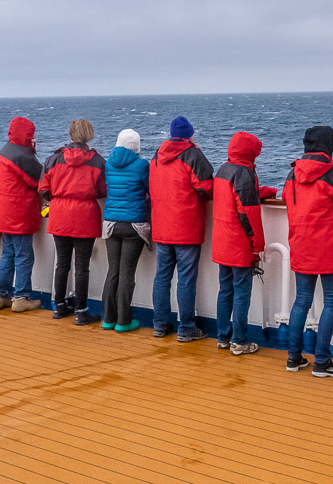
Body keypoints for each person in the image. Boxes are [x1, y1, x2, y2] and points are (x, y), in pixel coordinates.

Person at [283, 125, 333, 378]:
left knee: (301, 301)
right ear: (329, 144)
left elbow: (286, 198)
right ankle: (322, 361)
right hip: (330, 248)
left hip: (302, 244)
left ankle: (294, 358)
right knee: (331, 302)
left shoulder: (293, 172)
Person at [149, 115, 214, 342]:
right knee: (185, 278)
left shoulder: (157, 155)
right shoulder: (193, 155)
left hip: (162, 225)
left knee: (162, 276)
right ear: (190, 134)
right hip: (185, 226)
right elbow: (206, 187)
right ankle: (186, 328)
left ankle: (159, 324)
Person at [212, 131, 277, 355]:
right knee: (241, 293)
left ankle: (222, 337)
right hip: (238, 244)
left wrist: (263, 192)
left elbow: (235, 198)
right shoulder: (245, 174)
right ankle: (239, 341)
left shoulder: (224, 169)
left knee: (225, 291)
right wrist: (257, 246)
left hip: (221, 242)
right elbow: (248, 214)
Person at [39, 119, 107, 326]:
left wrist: (58, 199)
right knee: (81, 267)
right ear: (89, 135)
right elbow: (103, 190)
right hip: (85, 217)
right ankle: (81, 311)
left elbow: (43, 189)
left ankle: (59, 307)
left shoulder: (53, 159)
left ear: (70, 135)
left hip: (60, 215)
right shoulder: (97, 161)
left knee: (62, 264)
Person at [0, 117, 43, 313]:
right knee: (23, 257)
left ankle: (0, 295)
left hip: (3, 214)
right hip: (19, 214)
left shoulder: (4, 152)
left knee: (8, 255)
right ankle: (21, 297)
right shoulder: (21, 156)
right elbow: (39, 180)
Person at [100, 129, 150, 333]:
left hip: (111, 223)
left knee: (113, 271)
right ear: (136, 146)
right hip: (133, 225)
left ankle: (107, 319)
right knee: (127, 273)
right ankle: (123, 321)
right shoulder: (142, 165)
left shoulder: (108, 164)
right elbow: (149, 189)